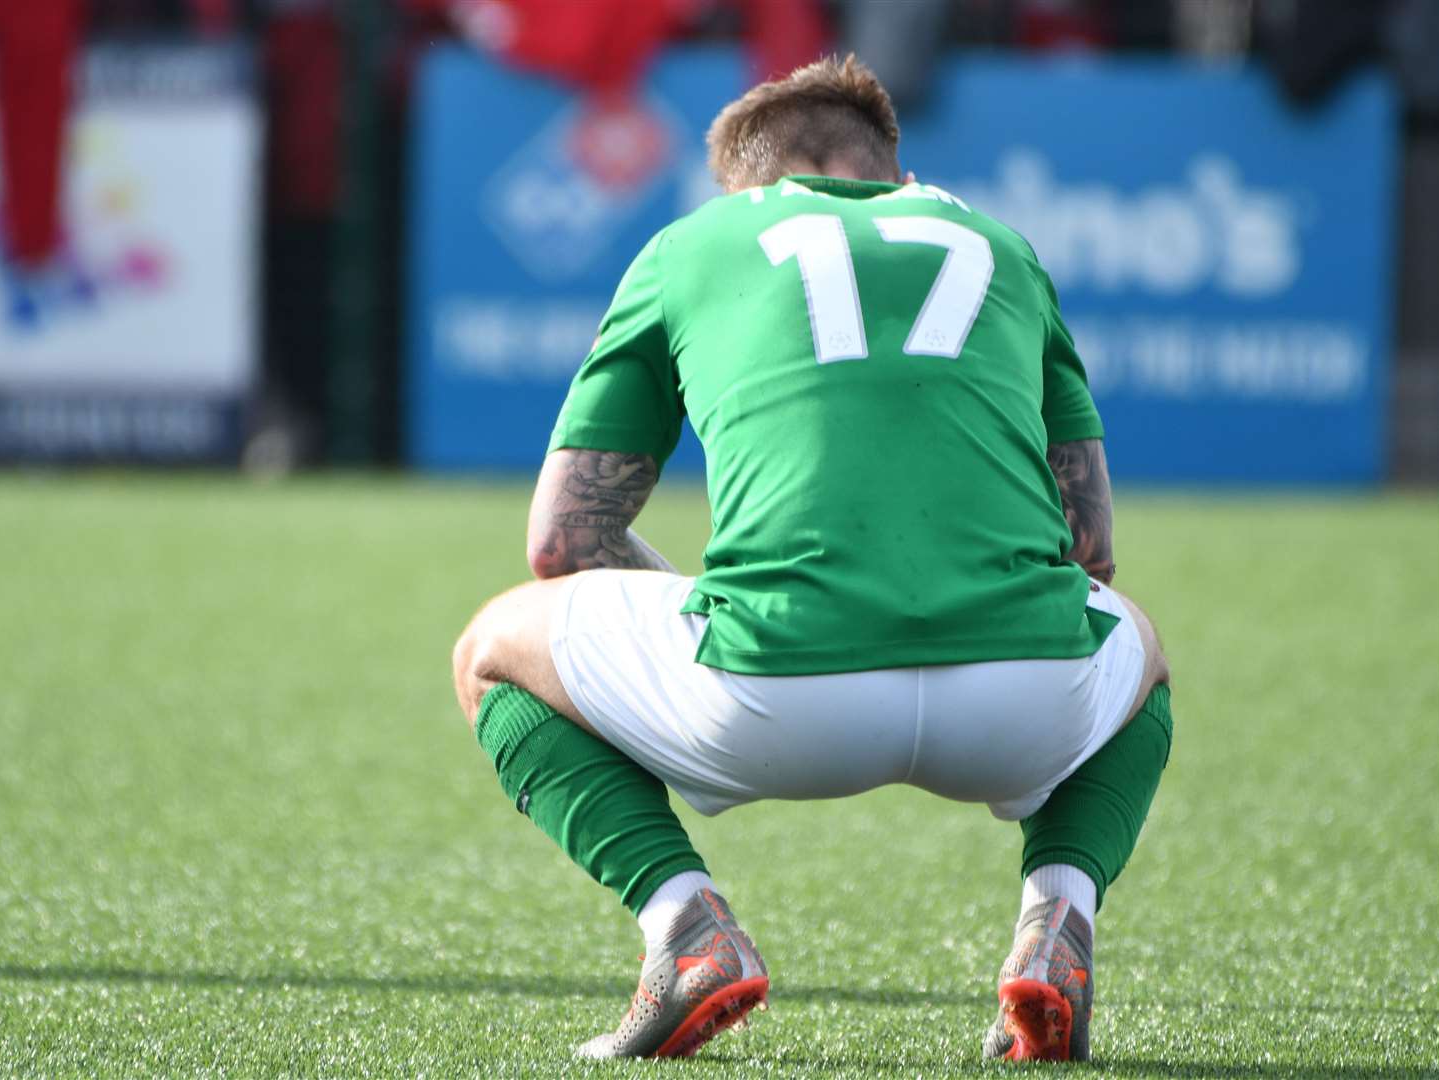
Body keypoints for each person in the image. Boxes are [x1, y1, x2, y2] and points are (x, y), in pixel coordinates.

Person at [450, 54, 1173, 1063]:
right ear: (885, 168)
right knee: (1139, 646)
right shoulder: (1002, 247)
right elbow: (1090, 551)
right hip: (1018, 706)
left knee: (489, 649)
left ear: (760, 181)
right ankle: (1059, 921)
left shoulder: (693, 244)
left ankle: (683, 923)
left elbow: (561, 543)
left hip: (774, 702)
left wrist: (709, 605)